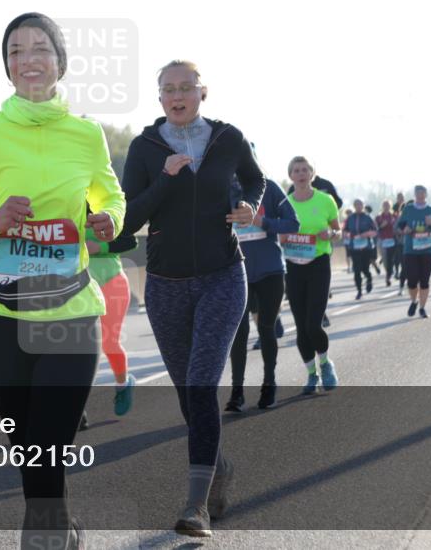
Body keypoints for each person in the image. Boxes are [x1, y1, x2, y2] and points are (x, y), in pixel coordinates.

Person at [0, 13, 126, 549]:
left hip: (71, 312)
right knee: (30, 450)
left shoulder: (87, 134)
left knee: (49, 444)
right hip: (2, 317)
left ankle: (43, 537)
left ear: (60, 61)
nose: (28, 59)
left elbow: (111, 196)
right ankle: (62, 529)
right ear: (7, 66)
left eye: (40, 48)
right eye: (16, 51)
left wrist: (109, 219)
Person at [122, 58, 265, 537]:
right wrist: (165, 177)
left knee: (201, 385)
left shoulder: (228, 138)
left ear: (203, 92)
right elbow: (129, 217)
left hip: (223, 276)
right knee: (188, 393)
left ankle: (195, 507)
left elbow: (256, 179)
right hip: (165, 283)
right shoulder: (145, 148)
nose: (178, 95)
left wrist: (248, 206)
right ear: (159, 97)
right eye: (169, 89)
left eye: (187, 87)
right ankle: (219, 467)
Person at [226, 174, 299, 412]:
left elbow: (293, 223)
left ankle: (269, 386)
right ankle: (237, 392)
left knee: (266, 329)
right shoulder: (221, 188)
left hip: (270, 271)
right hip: (237, 273)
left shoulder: (269, 188)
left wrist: (262, 221)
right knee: (239, 332)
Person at [281, 157, 341, 394]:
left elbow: (338, 230)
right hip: (293, 266)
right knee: (300, 326)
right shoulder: (284, 203)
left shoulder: (325, 200)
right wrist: (282, 236)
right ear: (291, 176)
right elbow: (278, 232)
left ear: (312, 174)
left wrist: (331, 234)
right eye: (296, 170)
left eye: (305, 169)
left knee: (313, 324)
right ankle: (311, 374)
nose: (301, 173)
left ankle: (325, 364)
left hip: (318, 264)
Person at [84, 206, 138, 418]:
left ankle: (123, 384)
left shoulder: (104, 204)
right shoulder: (62, 206)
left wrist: (99, 247)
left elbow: (130, 241)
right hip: (78, 284)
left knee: (109, 343)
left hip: (111, 280)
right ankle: (76, 405)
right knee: (76, 346)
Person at [396, 185, 431, 318]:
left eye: (422, 193)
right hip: (410, 250)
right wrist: (404, 229)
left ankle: (422, 308)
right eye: (418, 193)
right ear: (415, 195)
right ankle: (414, 301)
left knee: (424, 281)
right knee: (411, 281)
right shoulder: (408, 209)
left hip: (427, 250)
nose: (420, 195)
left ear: (426, 194)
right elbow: (399, 225)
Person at [344, 199, 378, 300]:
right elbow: (345, 230)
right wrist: (347, 235)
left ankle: (369, 278)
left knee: (364, 268)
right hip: (354, 247)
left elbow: (375, 231)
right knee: (357, 269)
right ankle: (359, 291)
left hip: (366, 247)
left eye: (360, 205)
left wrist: (366, 234)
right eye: (356, 205)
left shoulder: (368, 217)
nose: (358, 206)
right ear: (354, 206)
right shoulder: (350, 218)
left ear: (363, 206)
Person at [375, 200, 399, 287]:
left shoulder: (394, 216)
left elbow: (398, 226)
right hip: (382, 240)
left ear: (390, 206)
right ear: (382, 206)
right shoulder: (378, 217)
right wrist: (381, 226)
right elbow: (375, 229)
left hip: (393, 240)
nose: (386, 207)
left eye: (388, 205)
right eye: (384, 205)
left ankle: (388, 276)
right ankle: (388, 273)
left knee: (392, 259)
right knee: (385, 259)